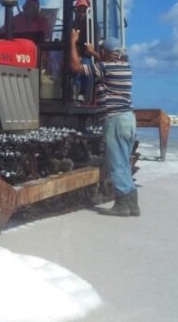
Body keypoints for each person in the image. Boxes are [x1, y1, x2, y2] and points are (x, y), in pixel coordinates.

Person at [70, 29, 139, 217]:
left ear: (105, 54)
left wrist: (72, 42)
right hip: (129, 120)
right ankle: (133, 205)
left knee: (116, 164)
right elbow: (105, 62)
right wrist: (94, 52)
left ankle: (122, 205)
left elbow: (76, 67)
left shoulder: (105, 68)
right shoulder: (125, 66)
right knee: (124, 162)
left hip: (114, 120)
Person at [72, 0, 96, 100]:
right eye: (79, 10)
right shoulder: (71, 24)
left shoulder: (92, 26)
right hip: (72, 53)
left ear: (87, 11)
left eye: (84, 10)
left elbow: (91, 45)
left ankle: (81, 92)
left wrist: (81, 56)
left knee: (86, 66)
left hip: (85, 55)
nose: (81, 13)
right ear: (75, 11)